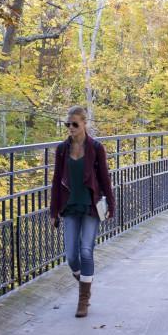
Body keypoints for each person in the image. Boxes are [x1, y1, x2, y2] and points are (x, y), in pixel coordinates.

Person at [50, 106, 116, 318]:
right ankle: (85, 280)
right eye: (67, 124)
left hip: (90, 206)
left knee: (86, 250)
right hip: (69, 207)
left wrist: (111, 205)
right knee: (71, 256)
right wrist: (53, 211)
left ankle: (83, 300)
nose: (70, 127)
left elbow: (105, 178)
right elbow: (55, 180)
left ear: (84, 124)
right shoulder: (62, 150)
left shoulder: (96, 148)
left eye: (74, 124)